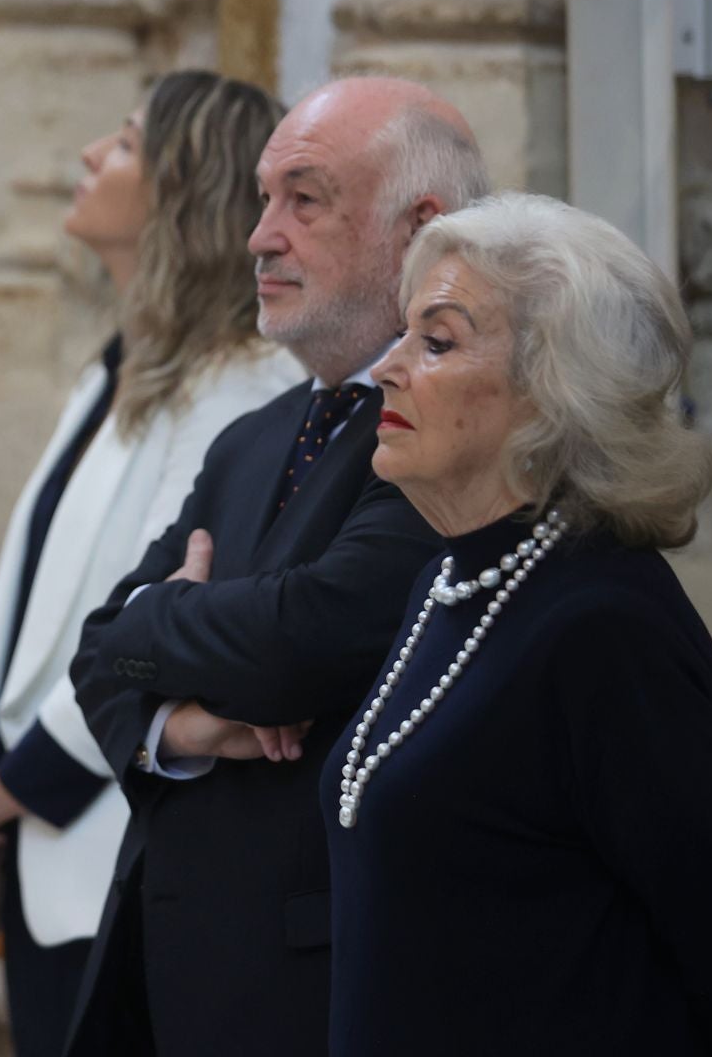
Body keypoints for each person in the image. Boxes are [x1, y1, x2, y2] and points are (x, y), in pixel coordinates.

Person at [320, 193, 712, 1055]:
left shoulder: (604, 627)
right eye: (404, 334)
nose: (386, 369)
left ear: (556, 390)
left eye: (436, 341)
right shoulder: (448, 579)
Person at [67, 77, 493, 1056]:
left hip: (314, 994)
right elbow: (97, 657)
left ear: (418, 226)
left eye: (303, 199)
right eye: (263, 199)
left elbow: (303, 639)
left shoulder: (446, 430)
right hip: (161, 966)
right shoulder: (254, 437)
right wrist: (184, 724)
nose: (261, 235)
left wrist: (154, 623)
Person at [0, 71, 305, 1053]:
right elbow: (25, 592)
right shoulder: (117, 364)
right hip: (29, 833)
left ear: (187, 194)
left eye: (128, 143)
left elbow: (144, 629)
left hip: (103, 844)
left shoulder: (241, 385)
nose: (93, 153)